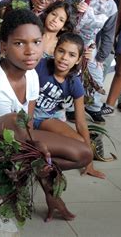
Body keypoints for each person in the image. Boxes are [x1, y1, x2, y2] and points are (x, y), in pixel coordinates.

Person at [0, 8, 92, 235]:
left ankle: (21, 177)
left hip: (12, 138)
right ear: (4, 47)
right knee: (16, 129)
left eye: (36, 42)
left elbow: (28, 125)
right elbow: (12, 143)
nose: (31, 51)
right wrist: (46, 180)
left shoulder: (32, 75)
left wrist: (49, 191)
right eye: (19, 43)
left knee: (83, 154)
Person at [33, 33, 105, 179]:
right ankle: (35, 157)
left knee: (80, 145)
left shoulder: (74, 83)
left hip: (46, 118)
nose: (65, 57)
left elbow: (81, 122)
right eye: (61, 51)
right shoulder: (40, 66)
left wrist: (88, 162)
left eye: (71, 55)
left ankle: (43, 165)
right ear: (54, 51)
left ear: (78, 59)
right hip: (25, 113)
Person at [66, 0, 121, 125]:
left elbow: (108, 34)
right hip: (70, 40)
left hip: (89, 45)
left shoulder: (112, 8)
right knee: (71, 73)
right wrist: (75, 8)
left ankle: (93, 107)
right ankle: (70, 108)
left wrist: (101, 57)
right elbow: (65, 6)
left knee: (96, 75)